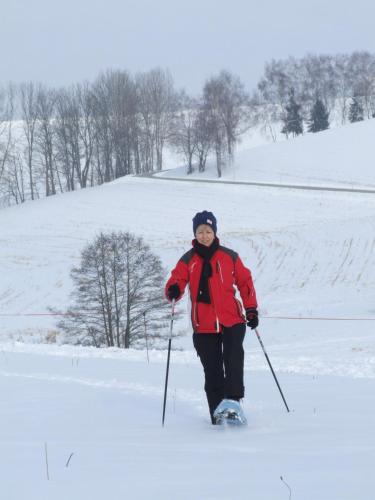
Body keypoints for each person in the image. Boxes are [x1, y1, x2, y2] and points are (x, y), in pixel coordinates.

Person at [165, 210, 259, 424]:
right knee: (213, 369)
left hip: (232, 319)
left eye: (208, 231)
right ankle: (217, 413)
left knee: (233, 358)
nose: (204, 235)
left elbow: (245, 282)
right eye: (200, 231)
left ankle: (233, 404)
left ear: (215, 232)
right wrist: (173, 289)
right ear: (195, 234)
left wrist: (251, 309)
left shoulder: (229, 256)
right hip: (204, 325)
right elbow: (177, 279)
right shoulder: (188, 259)